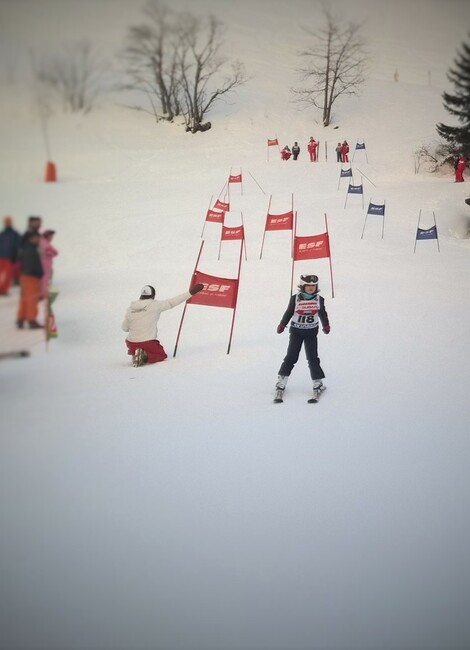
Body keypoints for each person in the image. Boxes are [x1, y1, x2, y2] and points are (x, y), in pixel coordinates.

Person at [275, 274, 330, 400]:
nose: (311, 288)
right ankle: (281, 382)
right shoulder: (295, 298)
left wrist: (326, 325)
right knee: (291, 356)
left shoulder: (318, 299)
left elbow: (322, 313)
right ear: (303, 286)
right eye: (308, 285)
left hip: (311, 332)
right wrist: (282, 324)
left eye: (313, 286)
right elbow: (289, 312)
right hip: (296, 332)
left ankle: (317, 383)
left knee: (312, 357)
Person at [122, 282, 204, 367]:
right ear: (153, 295)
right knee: (161, 355)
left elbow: (124, 328)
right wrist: (191, 292)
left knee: (138, 345)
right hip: (147, 342)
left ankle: (136, 353)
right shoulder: (155, 305)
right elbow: (172, 302)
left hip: (131, 343)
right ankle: (143, 355)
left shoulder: (130, 309)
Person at [16, 230, 44, 328]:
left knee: (24, 299)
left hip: (25, 277)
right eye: (37, 238)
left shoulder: (26, 248)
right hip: (31, 277)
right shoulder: (31, 250)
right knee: (32, 300)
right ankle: (32, 321)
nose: (38, 240)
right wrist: (39, 274)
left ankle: (21, 319)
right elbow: (32, 265)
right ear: (31, 238)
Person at [0, 216, 21, 296]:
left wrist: (15, 256)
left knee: (8, 275)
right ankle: (3, 290)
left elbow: (18, 246)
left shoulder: (3, 234)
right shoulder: (14, 234)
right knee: (7, 275)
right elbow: (18, 246)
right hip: (7, 257)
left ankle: (3, 289)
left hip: (7, 258)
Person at [40, 229, 58, 299]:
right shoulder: (44, 243)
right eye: (51, 236)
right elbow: (54, 252)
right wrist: (50, 253)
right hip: (44, 264)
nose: (52, 238)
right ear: (47, 236)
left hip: (46, 264)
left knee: (45, 279)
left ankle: (43, 293)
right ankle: (42, 294)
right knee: (44, 279)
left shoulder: (44, 242)